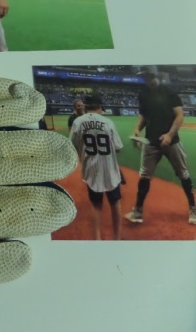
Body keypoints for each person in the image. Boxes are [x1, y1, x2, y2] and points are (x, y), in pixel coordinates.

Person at [125, 71, 196, 224]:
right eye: (145, 77)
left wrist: (169, 135)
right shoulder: (143, 94)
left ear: (156, 76)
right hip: (151, 142)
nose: (148, 80)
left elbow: (179, 115)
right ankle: (137, 211)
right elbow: (144, 116)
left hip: (173, 142)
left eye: (150, 77)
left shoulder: (169, 92)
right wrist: (137, 129)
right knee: (144, 176)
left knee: (183, 174)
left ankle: (193, 209)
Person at [70, 95, 124, 240]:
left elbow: (72, 147)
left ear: (86, 106)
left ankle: (97, 239)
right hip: (110, 169)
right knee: (115, 202)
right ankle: (117, 238)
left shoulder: (78, 122)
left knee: (96, 205)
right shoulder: (108, 122)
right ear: (100, 106)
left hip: (91, 169)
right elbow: (118, 147)